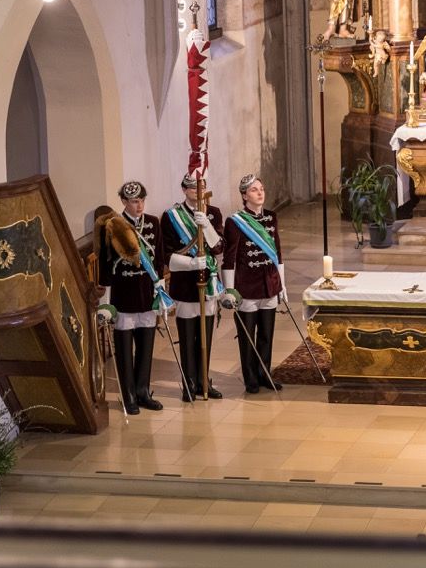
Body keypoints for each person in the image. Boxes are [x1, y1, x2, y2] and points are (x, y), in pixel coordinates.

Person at [96, 181, 168, 413]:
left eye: (142, 201)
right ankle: (128, 396)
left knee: (146, 347)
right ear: (124, 202)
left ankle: (142, 391)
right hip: (124, 294)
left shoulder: (154, 223)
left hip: (146, 292)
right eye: (135, 202)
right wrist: (105, 303)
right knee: (125, 350)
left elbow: (158, 261)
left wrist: (160, 290)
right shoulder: (113, 226)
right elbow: (106, 267)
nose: (139, 206)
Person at [221, 174, 286, 394]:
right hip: (246, 287)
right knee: (248, 336)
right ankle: (250, 377)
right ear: (244, 195)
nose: (260, 193)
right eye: (254, 190)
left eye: (262, 189)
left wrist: (282, 286)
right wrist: (229, 290)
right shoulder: (235, 221)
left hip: (269, 284)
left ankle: (264, 373)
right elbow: (228, 259)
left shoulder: (271, 217)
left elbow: (277, 253)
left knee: (266, 334)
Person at [163, 174, 224, 402]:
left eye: (200, 187)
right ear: (183, 190)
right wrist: (190, 263)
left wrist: (206, 225)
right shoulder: (171, 217)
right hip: (185, 284)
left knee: (205, 334)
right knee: (188, 337)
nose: (196, 192)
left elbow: (218, 248)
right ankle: (188, 381)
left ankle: (203, 380)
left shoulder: (213, 213)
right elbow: (166, 256)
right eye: (191, 188)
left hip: (207, 283)